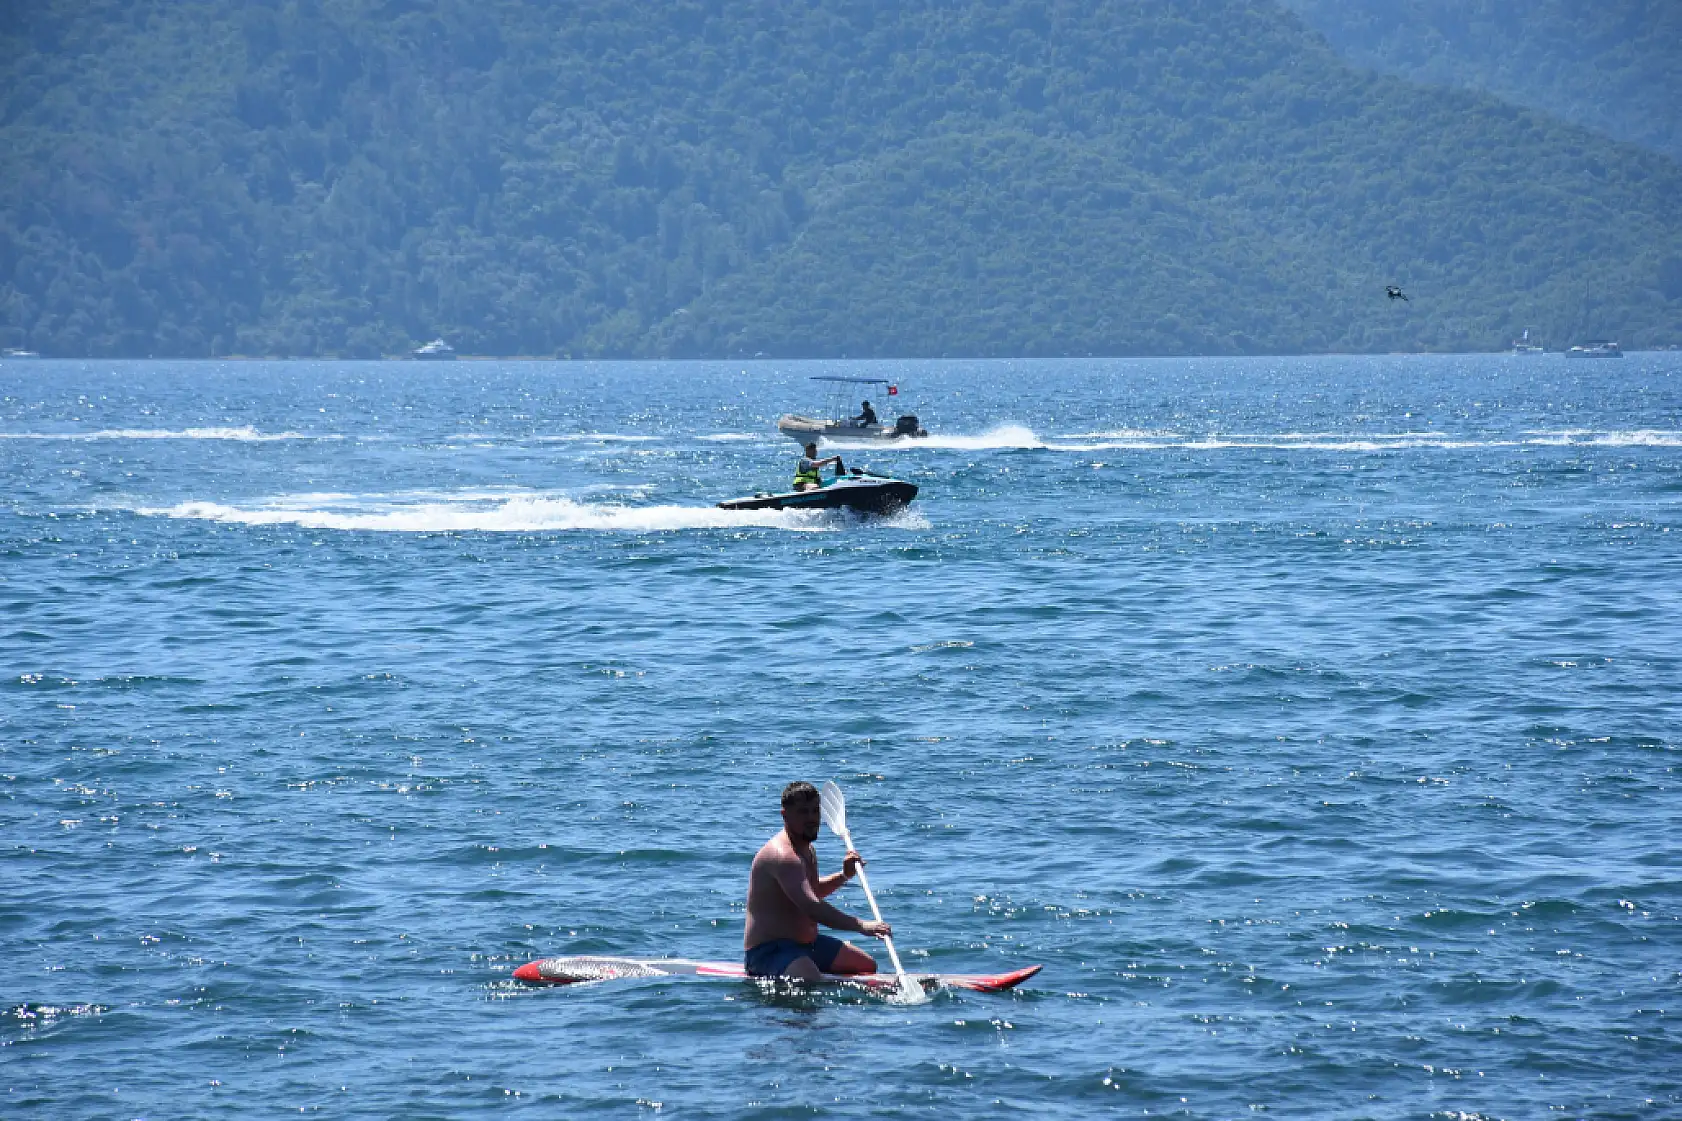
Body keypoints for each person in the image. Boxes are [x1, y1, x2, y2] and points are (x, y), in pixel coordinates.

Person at [743, 781, 891, 980]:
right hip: (770, 951)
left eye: (815, 811)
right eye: (803, 812)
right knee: (811, 979)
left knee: (867, 966)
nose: (812, 818)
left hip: (808, 945)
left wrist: (844, 875)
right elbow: (811, 906)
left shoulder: (807, 849)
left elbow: (813, 890)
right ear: (785, 815)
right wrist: (862, 926)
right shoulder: (783, 856)